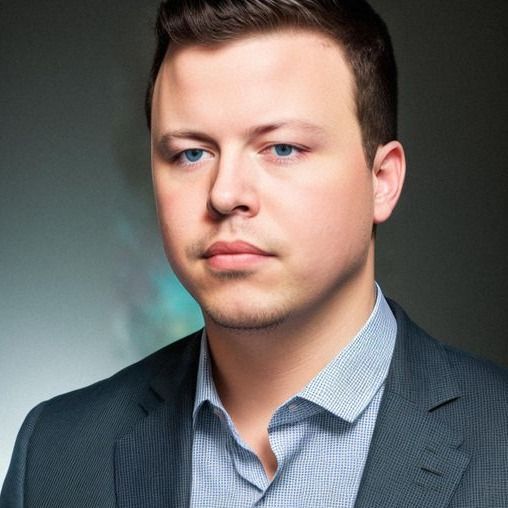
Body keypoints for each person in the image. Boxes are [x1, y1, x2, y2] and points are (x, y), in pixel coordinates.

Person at [1, 0, 507, 506]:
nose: (225, 194)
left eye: (281, 148)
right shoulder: (54, 455)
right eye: (191, 153)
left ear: (382, 180)